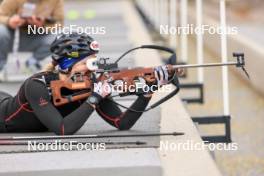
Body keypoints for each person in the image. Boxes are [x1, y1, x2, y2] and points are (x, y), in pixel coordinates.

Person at [0, 33, 170, 135]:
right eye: (85, 63)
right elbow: (63, 129)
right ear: (66, 64)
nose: (91, 69)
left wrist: (149, 91)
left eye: (94, 63)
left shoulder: (91, 84)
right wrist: (95, 98)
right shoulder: (37, 85)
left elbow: (121, 123)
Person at [0, 0, 64, 76]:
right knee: (1, 31)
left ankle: (32, 62)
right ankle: (1, 66)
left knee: (60, 37)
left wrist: (43, 25)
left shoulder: (55, 1)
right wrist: (9, 21)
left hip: (38, 36)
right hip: (12, 35)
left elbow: (59, 23)